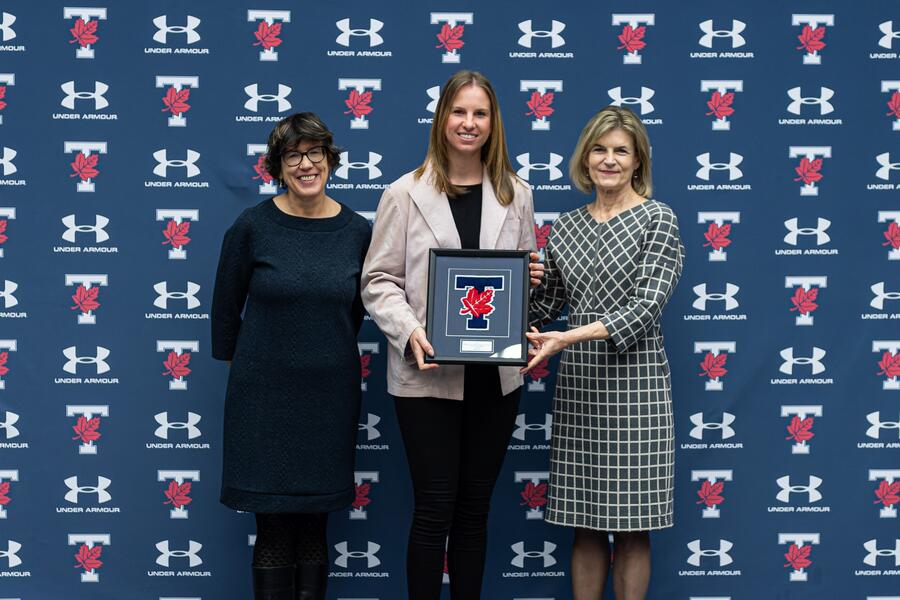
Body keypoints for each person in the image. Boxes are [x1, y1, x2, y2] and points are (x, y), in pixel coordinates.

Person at [361, 70, 543, 599]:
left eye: (480, 114)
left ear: (493, 123)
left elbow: (519, 283)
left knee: (474, 509)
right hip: (428, 374)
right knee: (434, 506)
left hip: (495, 376)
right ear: (442, 119)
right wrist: (411, 330)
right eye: (459, 112)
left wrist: (529, 279)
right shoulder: (403, 192)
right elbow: (377, 280)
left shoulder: (518, 193)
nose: (469, 123)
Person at [523, 105, 684, 600]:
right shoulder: (566, 227)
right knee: (585, 525)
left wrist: (567, 337)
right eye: (599, 149)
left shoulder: (659, 219)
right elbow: (545, 307)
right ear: (585, 158)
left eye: (621, 151)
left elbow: (644, 310)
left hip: (638, 392)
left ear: (638, 162)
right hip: (580, 392)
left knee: (634, 527)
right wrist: (522, 286)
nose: (608, 159)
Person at [211, 112, 371, 600]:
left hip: (329, 399)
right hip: (264, 400)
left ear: (330, 158)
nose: (306, 164)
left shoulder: (358, 232)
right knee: (275, 526)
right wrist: (261, 362)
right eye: (293, 155)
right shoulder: (253, 226)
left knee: (315, 524)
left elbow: (358, 311)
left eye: (315, 152)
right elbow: (224, 309)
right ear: (278, 166)